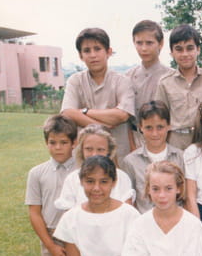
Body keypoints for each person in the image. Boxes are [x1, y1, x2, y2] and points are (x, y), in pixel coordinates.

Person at [26, 115, 78, 256]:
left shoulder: (83, 170)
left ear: (74, 143)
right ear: (46, 143)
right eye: (52, 142)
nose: (58, 148)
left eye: (63, 142)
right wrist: (51, 246)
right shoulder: (37, 173)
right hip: (53, 237)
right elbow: (35, 213)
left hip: (80, 236)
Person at [60, 28, 136, 159]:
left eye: (97, 49)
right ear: (80, 56)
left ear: (108, 52)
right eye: (87, 50)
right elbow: (67, 113)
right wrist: (104, 127)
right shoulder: (75, 80)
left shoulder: (122, 81)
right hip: (85, 155)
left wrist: (84, 111)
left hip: (118, 154)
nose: (93, 55)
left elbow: (122, 115)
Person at [155, 24, 202, 150]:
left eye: (190, 48)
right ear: (172, 53)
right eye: (179, 49)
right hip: (176, 142)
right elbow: (160, 118)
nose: (185, 54)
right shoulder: (165, 83)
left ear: (198, 50)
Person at [121, 101, 184, 213]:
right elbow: (129, 200)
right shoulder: (130, 162)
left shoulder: (181, 157)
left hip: (175, 219)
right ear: (140, 127)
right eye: (149, 128)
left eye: (160, 127)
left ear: (169, 126)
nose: (155, 133)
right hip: (144, 219)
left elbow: (186, 196)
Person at [54, 125, 134, 211]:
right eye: (89, 149)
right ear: (82, 150)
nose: (94, 154)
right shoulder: (72, 179)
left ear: (109, 151)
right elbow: (69, 214)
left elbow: (127, 211)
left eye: (100, 149)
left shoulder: (121, 178)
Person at [125, 20, 174, 148]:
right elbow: (126, 118)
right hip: (134, 139)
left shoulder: (171, 77)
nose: (144, 48)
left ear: (160, 44)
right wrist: (131, 145)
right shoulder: (128, 77)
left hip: (162, 140)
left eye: (149, 43)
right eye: (139, 43)